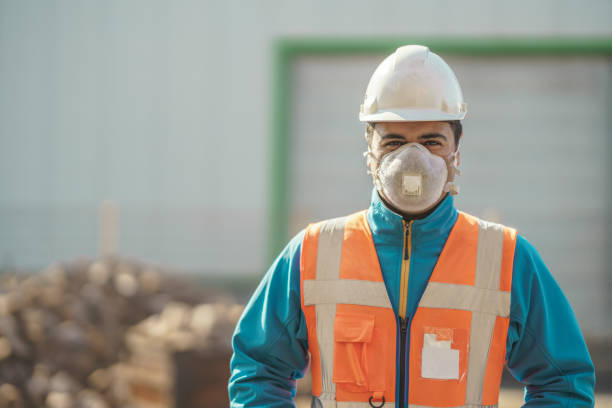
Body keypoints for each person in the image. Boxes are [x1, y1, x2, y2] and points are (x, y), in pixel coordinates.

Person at [228, 45, 595, 407]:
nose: (412, 160)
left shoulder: (507, 259)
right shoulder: (312, 253)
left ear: (456, 149)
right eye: (394, 142)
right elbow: (258, 372)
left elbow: (564, 384)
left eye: (432, 141)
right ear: (370, 149)